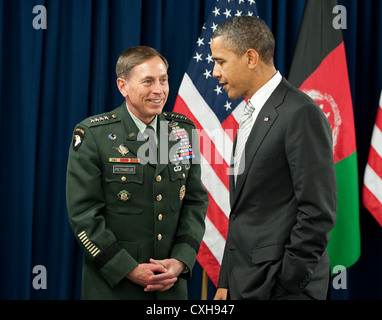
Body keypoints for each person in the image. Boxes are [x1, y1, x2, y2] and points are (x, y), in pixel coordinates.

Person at [66, 46, 208, 299]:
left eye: (163, 80)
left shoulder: (183, 131)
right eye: (148, 81)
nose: (159, 90)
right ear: (123, 86)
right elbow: (84, 216)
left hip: (169, 286)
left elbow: (195, 202)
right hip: (113, 285)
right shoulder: (94, 135)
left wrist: (180, 261)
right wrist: (128, 268)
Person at [211, 16, 337, 300]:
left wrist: (288, 285)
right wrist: (226, 279)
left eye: (221, 61)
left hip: (281, 289)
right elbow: (243, 211)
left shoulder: (300, 113)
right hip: (244, 283)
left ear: (251, 58)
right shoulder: (251, 114)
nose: (216, 72)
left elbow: (317, 212)